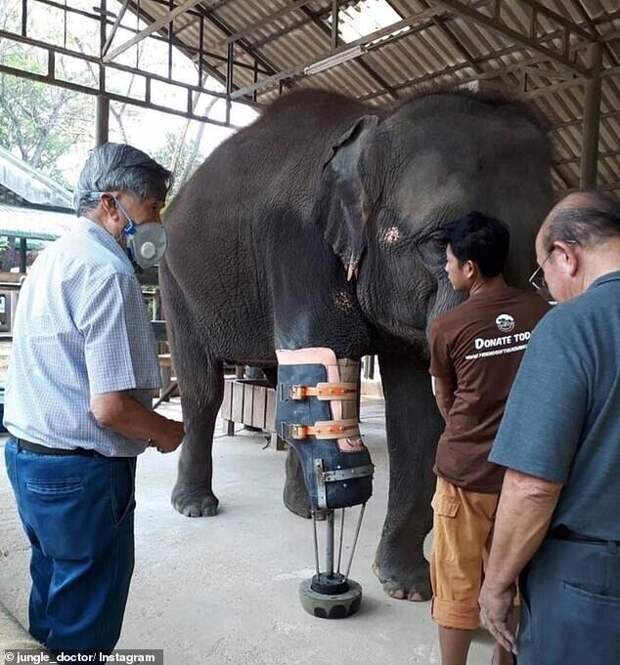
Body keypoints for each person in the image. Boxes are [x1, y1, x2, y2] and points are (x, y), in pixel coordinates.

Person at [3, 143, 185, 656]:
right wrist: (166, 431)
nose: (156, 221)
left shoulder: (54, 257)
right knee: (86, 620)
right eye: (150, 208)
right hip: (80, 478)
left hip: (27, 460)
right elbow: (110, 409)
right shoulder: (108, 272)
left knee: (54, 591)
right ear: (112, 204)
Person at [479, 191, 620, 665]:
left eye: (543, 276)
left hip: (592, 587)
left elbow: (532, 486)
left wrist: (497, 585)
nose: (549, 290)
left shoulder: (573, 327)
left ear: (566, 255)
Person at [428, 211, 548, 665]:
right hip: (523, 472)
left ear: (469, 268)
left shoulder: (447, 326)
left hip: (464, 474)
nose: (446, 267)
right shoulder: (539, 312)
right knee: (513, 575)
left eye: (449, 260)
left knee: (456, 580)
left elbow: (446, 400)